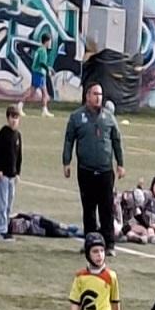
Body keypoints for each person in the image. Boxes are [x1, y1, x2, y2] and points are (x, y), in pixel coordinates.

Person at [63, 82, 125, 255]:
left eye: (100, 94)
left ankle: (109, 244)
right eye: (95, 94)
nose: (99, 98)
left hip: (105, 171)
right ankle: (89, 242)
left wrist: (120, 164)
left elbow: (116, 141)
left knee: (107, 208)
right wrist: (66, 162)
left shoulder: (109, 117)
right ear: (87, 96)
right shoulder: (76, 117)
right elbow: (69, 140)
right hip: (86, 170)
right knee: (88, 208)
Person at [0, 104, 23, 242]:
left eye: (16, 117)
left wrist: (17, 172)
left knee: (9, 202)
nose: (14, 120)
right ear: (7, 118)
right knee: (2, 203)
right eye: (12, 117)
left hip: (12, 175)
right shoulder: (3, 133)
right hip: (2, 175)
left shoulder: (18, 135)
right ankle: (1, 230)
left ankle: (6, 226)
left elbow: (18, 156)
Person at [24, 34, 54, 117]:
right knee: (35, 92)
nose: (50, 43)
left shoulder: (40, 49)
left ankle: (44, 110)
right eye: (50, 41)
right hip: (39, 73)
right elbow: (41, 63)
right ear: (47, 41)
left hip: (38, 72)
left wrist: (48, 68)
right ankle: (20, 105)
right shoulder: (43, 50)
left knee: (42, 92)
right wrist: (48, 69)